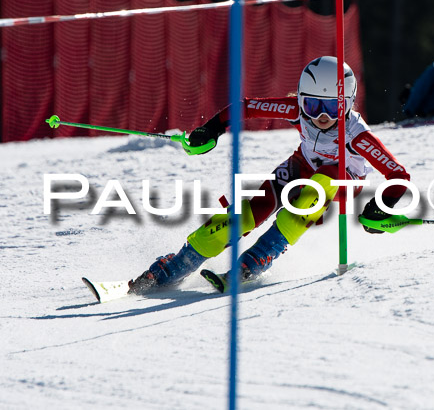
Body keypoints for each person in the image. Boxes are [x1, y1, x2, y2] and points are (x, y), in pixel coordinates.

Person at [127, 56, 411, 293]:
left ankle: (260, 255)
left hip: (342, 178)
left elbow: (398, 175)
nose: (322, 117)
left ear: (347, 104)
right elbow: (246, 107)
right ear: (301, 100)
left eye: (333, 108)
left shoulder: (357, 135)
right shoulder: (296, 111)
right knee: (249, 211)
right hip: (302, 165)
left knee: (319, 184)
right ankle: (177, 265)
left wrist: (380, 207)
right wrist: (212, 128)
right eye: (313, 106)